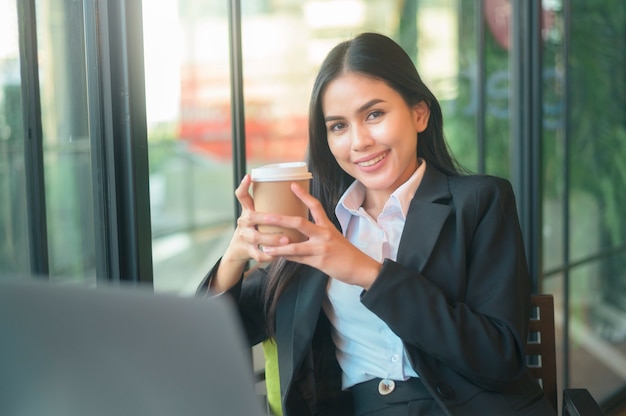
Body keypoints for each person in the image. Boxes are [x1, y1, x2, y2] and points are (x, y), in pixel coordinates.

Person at [198, 32, 555, 416]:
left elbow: (499, 358)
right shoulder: (316, 224)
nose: (359, 142)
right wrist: (232, 262)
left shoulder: (479, 201)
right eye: (338, 126)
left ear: (419, 114)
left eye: (374, 114)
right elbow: (216, 341)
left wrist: (369, 273)